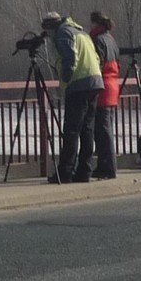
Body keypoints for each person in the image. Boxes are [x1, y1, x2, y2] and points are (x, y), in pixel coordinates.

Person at [41, 12, 102, 182]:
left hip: (79, 84)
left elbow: (69, 57)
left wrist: (65, 79)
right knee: (87, 130)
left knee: (72, 130)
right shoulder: (80, 32)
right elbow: (97, 58)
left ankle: (65, 172)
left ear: (50, 27)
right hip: (95, 82)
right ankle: (84, 171)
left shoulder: (63, 33)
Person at [86, 10, 121, 179]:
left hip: (102, 88)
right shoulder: (111, 39)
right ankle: (106, 166)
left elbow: (96, 65)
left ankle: (107, 168)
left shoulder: (97, 40)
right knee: (106, 130)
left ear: (94, 23)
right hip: (113, 86)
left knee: (102, 132)